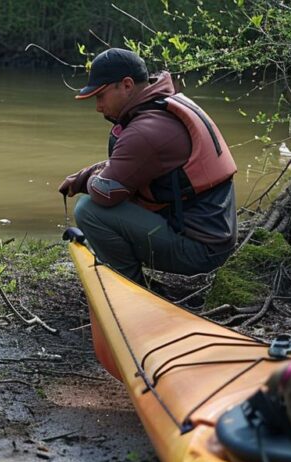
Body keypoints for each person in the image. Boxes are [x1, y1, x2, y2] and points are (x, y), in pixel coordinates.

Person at [58, 48, 238, 285]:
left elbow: (105, 193)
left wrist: (89, 182)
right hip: (215, 242)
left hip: (199, 253)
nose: (98, 107)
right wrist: (84, 176)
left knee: (89, 210)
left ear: (127, 84)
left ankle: (129, 285)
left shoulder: (145, 131)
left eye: (100, 96)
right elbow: (132, 165)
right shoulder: (163, 109)